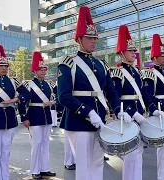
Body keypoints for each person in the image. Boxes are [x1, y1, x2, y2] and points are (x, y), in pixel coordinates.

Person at [57, 6, 123, 180]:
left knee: (98, 163)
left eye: (95, 38)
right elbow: (63, 96)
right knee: (85, 167)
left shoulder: (101, 64)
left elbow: (111, 90)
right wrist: (88, 112)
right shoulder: (68, 63)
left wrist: (118, 109)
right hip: (79, 122)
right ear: (79, 39)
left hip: (100, 119)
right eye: (89, 37)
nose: (93, 41)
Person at [110, 25, 161, 180]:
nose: (134, 53)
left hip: (140, 116)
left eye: (134, 51)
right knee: (130, 156)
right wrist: (133, 113)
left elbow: (144, 94)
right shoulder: (118, 73)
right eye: (130, 51)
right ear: (121, 52)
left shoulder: (137, 72)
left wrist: (153, 108)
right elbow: (115, 98)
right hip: (128, 118)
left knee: (138, 153)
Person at [141, 34, 164, 180]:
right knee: (163, 148)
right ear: (155, 57)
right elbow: (149, 95)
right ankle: (163, 177)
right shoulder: (150, 74)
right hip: (161, 112)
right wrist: (161, 107)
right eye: (162, 55)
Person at [21, 51, 57, 179]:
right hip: (34, 117)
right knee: (36, 144)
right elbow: (22, 102)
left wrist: (54, 102)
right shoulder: (29, 84)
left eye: (44, 69)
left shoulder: (48, 84)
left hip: (46, 117)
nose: (43, 72)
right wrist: (25, 118)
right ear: (34, 71)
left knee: (45, 143)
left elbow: (57, 95)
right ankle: (35, 170)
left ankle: (44, 168)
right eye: (40, 70)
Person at [0, 44, 30, 180]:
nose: (5, 68)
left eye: (6, 66)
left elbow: (26, 94)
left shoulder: (13, 81)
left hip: (9, 119)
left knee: (6, 152)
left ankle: (5, 177)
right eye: (1, 65)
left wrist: (16, 99)